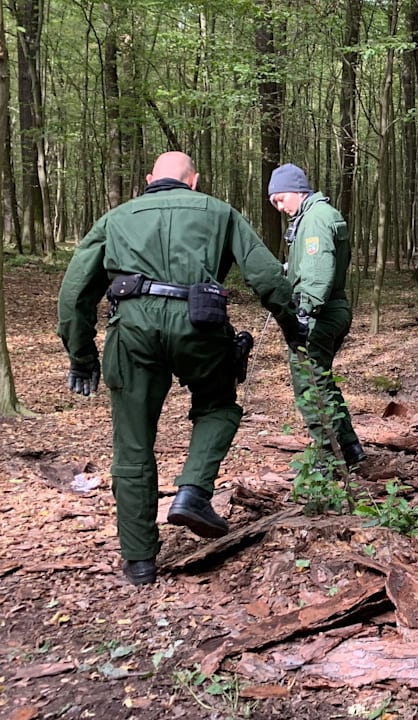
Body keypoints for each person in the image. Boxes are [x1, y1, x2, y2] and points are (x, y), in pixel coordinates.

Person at [57, 151, 304, 586]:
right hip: (199, 324)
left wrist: (81, 356)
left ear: (149, 179)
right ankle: (192, 491)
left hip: (131, 328)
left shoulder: (115, 218)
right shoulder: (219, 212)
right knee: (218, 406)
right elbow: (265, 276)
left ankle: (139, 561)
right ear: (194, 181)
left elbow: (74, 292)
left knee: (133, 442)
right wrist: (292, 326)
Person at [267, 163, 364, 467]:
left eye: (280, 199)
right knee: (322, 380)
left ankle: (327, 458)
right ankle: (349, 447)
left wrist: (304, 312)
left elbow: (319, 269)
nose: (279, 207)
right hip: (331, 308)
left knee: (310, 385)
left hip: (320, 313)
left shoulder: (315, 219)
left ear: (297, 190)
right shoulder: (316, 216)